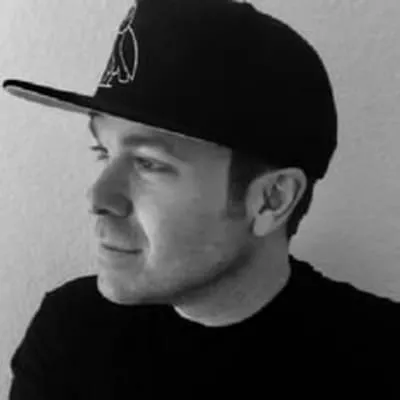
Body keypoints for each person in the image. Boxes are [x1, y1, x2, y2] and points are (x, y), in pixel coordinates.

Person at [3, 0, 399, 398]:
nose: (98, 197)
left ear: (272, 199)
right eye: (103, 152)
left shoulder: (382, 359)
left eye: (149, 163)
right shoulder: (71, 333)